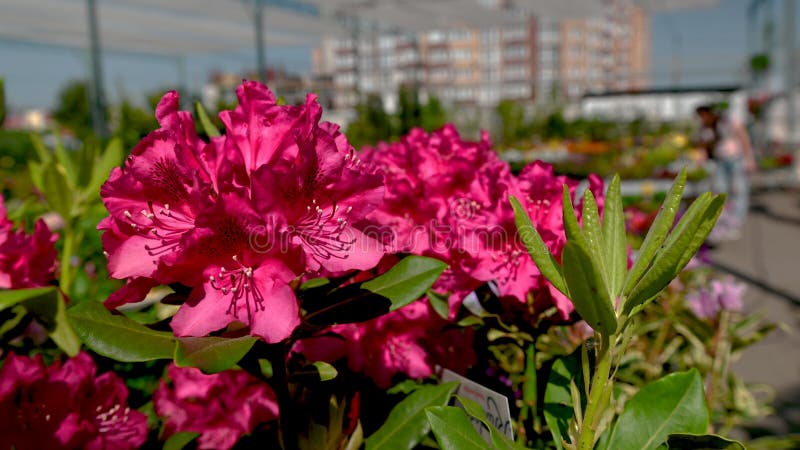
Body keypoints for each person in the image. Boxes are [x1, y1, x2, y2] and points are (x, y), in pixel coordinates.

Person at [695, 104, 757, 239]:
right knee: (721, 191)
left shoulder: (728, 122)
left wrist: (749, 158)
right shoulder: (705, 128)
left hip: (735, 158)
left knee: (739, 189)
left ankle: (736, 221)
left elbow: (744, 139)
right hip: (719, 160)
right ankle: (724, 221)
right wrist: (700, 159)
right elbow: (703, 146)